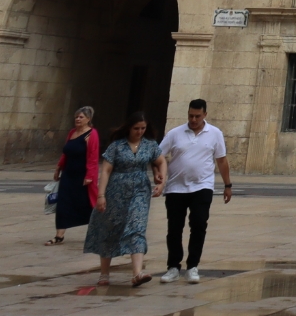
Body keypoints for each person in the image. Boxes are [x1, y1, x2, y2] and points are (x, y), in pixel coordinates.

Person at [83, 109, 164, 287]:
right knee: (110, 228)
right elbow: (105, 170)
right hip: (116, 190)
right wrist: (101, 195)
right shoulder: (117, 146)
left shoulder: (150, 145)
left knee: (137, 226)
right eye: (136, 128)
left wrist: (161, 180)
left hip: (140, 191)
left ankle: (137, 273)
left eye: (143, 128)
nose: (140, 132)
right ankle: (104, 273)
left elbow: (161, 161)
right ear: (129, 128)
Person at [160, 99, 231, 283]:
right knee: (174, 228)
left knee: (199, 225)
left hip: (202, 186)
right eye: (191, 115)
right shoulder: (175, 133)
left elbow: (221, 160)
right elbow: (158, 155)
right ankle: (173, 266)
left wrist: (227, 185)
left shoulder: (215, 133)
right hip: (176, 187)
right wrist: (158, 174)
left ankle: (192, 266)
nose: (193, 119)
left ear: (205, 115)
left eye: (197, 116)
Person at [49, 107, 100, 245]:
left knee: (86, 204)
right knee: (63, 204)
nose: (78, 119)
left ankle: (98, 231)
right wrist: (58, 168)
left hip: (82, 176)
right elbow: (66, 152)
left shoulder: (91, 134)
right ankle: (59, 235)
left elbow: (93, 157)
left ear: (88, 119)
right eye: (77, 117)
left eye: (81, 117)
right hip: (68, 174)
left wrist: (90, 176)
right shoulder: (72, 132)